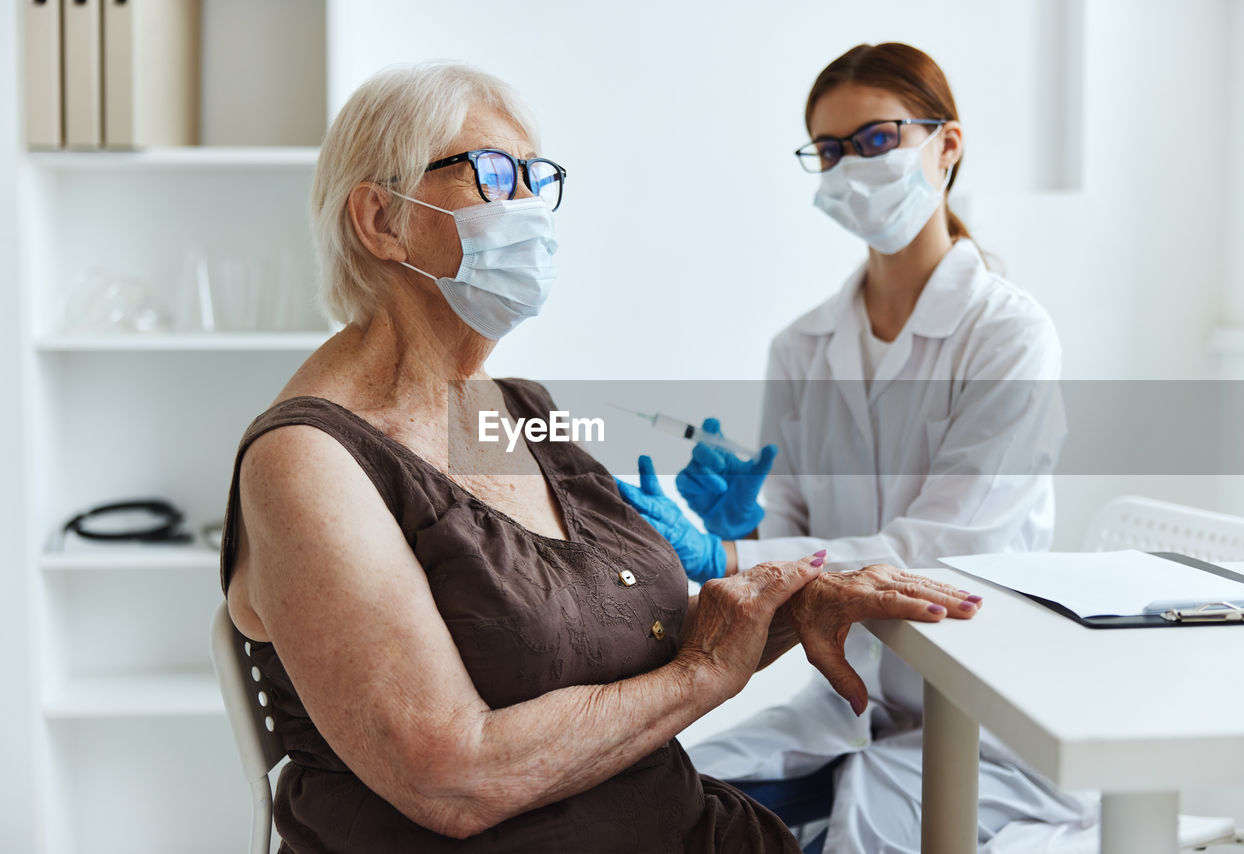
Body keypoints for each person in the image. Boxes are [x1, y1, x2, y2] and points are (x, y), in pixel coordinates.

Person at [217, 61, 982, 854]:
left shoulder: (522, 409)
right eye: (490, 174)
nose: (527, 210)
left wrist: (801, 604)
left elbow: (638, 624)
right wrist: (702, 675)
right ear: (381, 219)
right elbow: (452, 779)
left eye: (534, 179)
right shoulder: (307, 461)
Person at [622, 43, 1094, 853]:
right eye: (831, 151)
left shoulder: (1009, 335)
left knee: (864, 829)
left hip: (988, 713)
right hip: (849, 701)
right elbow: (793, 528)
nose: (851, 168)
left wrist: (734, 556)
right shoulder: (802, 347)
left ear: (946, 144)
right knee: (663, 803)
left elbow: (941, 556)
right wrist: (747, 527)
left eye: (876, 140)